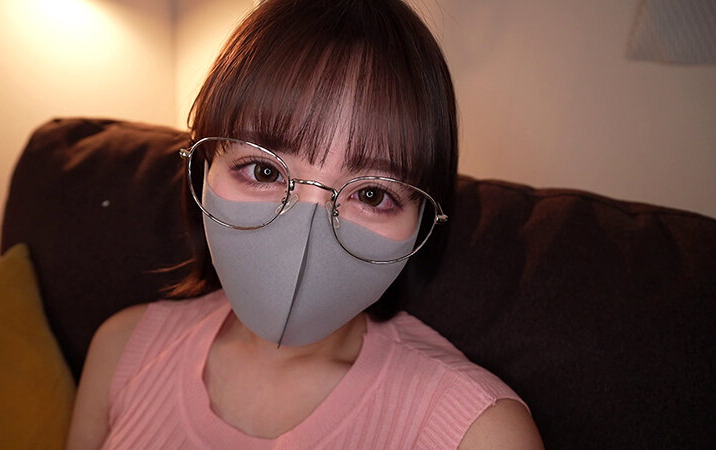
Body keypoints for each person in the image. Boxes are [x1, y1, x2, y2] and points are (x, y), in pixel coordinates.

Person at [67, 0, 543, 448]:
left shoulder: (479, 433)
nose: (306, 231)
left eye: (371, 195)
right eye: (264, 170)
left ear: (423, 222)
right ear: (202, 167)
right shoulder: (122, 350)